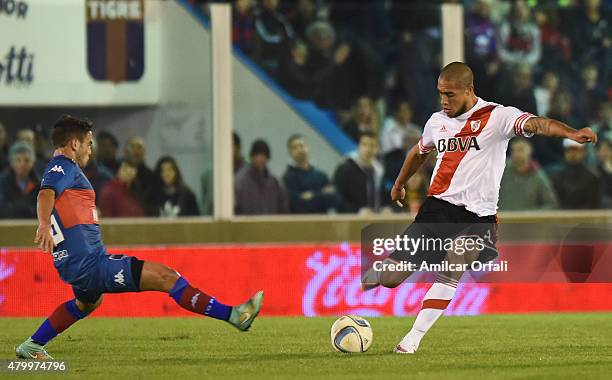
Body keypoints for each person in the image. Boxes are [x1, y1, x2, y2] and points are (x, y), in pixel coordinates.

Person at [361, 62, 597, 354]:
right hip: (436, 211)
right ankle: (375, 274)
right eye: (440, 94)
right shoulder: (436, 122)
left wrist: (571, 134)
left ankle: (412, 339)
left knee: (455, 260)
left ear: (469, 90)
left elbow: (538, 123)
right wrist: (398, 184)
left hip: (479, 218)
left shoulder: (498, 117)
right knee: (389, 279)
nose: (444, 101)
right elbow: (419, 152)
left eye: (450, 94)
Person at [15, 116, 263, 360]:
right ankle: (235, 315)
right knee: (167, 277)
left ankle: (33, 344)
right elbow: (45, 195)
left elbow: (58, 200)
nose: (91, 150)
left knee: (87, 304)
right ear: (75, 144)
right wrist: (45, 224)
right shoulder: (63, 167)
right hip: (90, 265)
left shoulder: (64, 171)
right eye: (89, 143)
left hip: (75, 264)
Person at [282, 134, 337, 214]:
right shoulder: (286, 179)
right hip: (299, 223)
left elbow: (334, 199)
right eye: (295, 147)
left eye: (302, 146)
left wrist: (313, 195)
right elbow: (295, 204)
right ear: (290, 152)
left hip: (322, 223)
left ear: (308, 147)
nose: (300, 150)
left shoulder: (321, 176)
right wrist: (321, 195)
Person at [499, 138, 558, 210]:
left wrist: (530, 215)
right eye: (513, 150)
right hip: (503, 219)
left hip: (527, 220)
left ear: (530, 151)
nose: (516, 154)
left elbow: (551, 204)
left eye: (520, 150)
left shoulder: (538, 176)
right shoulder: (501, 170)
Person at [333, 131, 384, 213]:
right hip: (351, 220)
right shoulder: (344, 169)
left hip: (374, 219)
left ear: (377, 149)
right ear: (358, 146)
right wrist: (358, 211)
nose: (368, 149)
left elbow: (383, 197)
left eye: (372, 146)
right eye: (364, 145)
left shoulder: (378, 170)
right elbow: (337, 200)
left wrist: (386, 208)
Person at [234, 139, 289, 215]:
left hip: (270, 224)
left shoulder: (275, 181)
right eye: (257, 155)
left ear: (267, 158)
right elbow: (236, 206)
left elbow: (283, 207)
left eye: (263, 155)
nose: (260, 159)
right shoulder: (240, 180)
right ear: (252, 157)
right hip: (246, 224)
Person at [550, 139, 602, 209]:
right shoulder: (556, 177)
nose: (573, 153)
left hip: (586, 217)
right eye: (569, 150)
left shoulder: (592, 178)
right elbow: (555, 203)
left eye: (576, 150)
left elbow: (595, 204)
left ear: (583, 152)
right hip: (562, 217)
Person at [0, 141, 40, 218]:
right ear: (11, 163)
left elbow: (43, 211)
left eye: (27, 160)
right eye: (18, 160)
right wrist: (28, 210)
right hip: (7, 226)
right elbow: (2, 209)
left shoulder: (41, 183)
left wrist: (16, 209)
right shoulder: (2, 182)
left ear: (33, 162)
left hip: (32, 226)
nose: (22, 164)